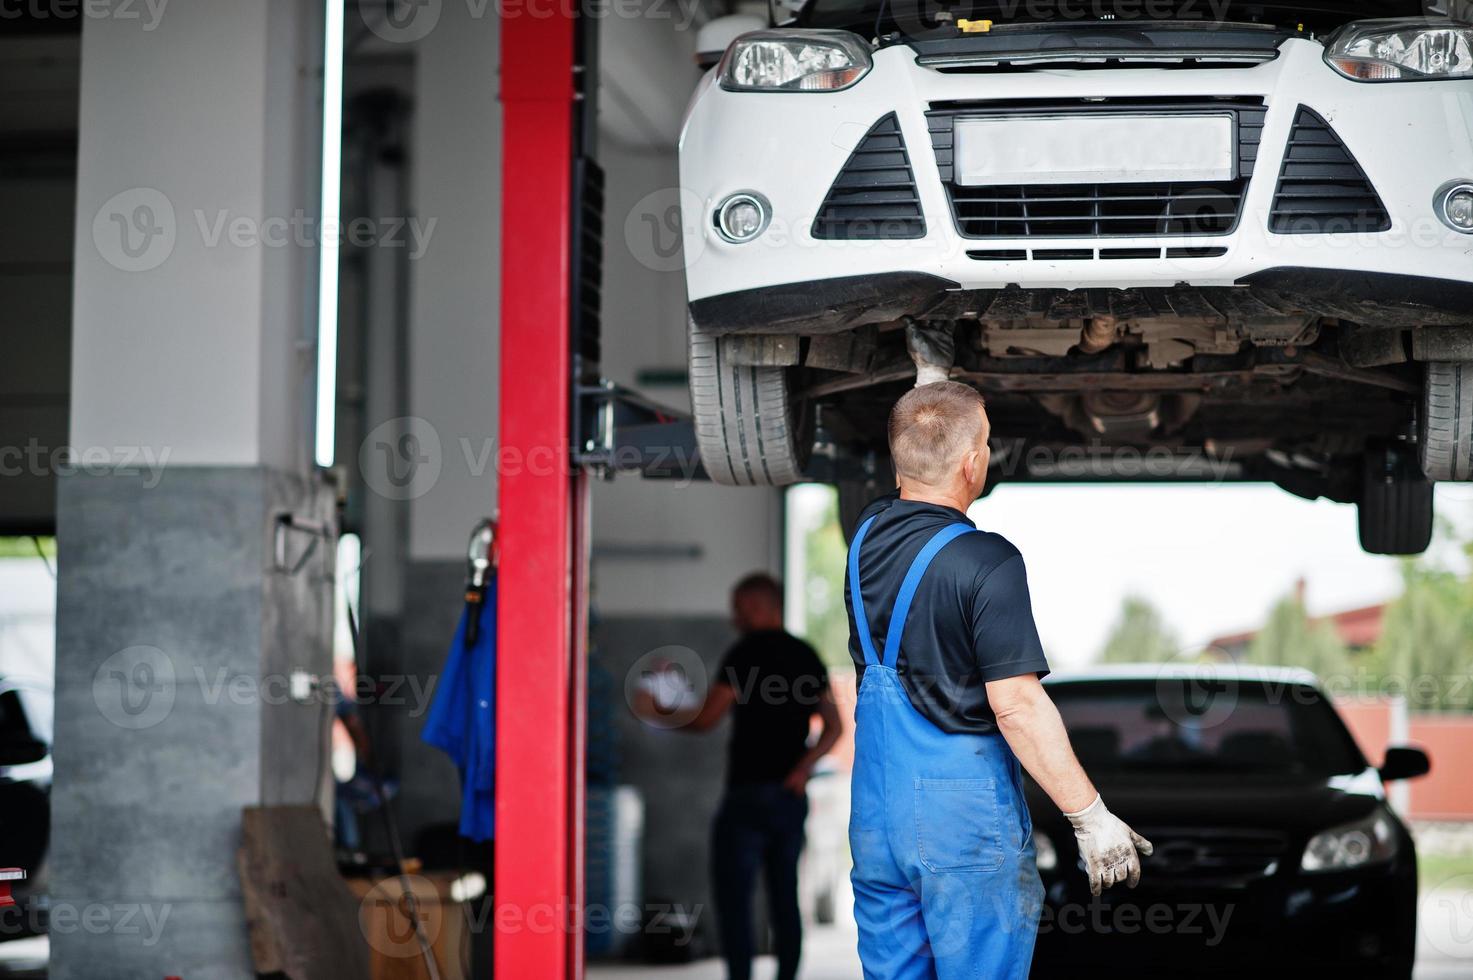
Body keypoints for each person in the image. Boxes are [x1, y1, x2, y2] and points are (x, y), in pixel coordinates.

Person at [845, 381, 1153, 980]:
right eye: (984, 441)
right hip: (960, 823)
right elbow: (1014, 702)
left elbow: (917, 448)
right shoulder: (988, 560)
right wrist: (1088, 815)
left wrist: (926, 399)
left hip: (876, 814)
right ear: (973, 461)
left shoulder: (866, 535)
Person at [633, 573, 843, 980]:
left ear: (757, 606)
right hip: (788, 795)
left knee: (735, 900)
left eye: (739, 609)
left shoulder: (743, 654)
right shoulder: (805, 654)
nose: (734, 618)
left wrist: (655, 710)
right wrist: (803, 767)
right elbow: (834, 725)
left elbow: (706, 719)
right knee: (785, 898)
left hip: (746, 796)